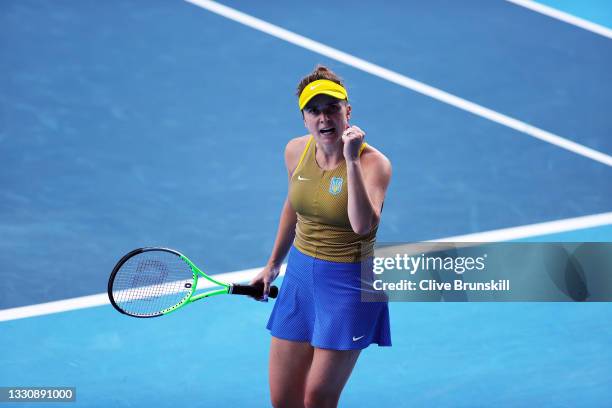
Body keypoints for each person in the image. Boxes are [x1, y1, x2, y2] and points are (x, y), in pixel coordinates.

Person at [250, 65, 392, 408]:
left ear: (348, 112)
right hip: (299, 279)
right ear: (304, 118)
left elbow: (362, 225)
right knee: (283, 399)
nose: (324, 118)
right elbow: (293, 207)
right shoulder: (295, 151)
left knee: (317, 399)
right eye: (314, 110)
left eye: (332, 108)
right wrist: (272, 266)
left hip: (347, 285)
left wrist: (351, 161)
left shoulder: (375, 164)